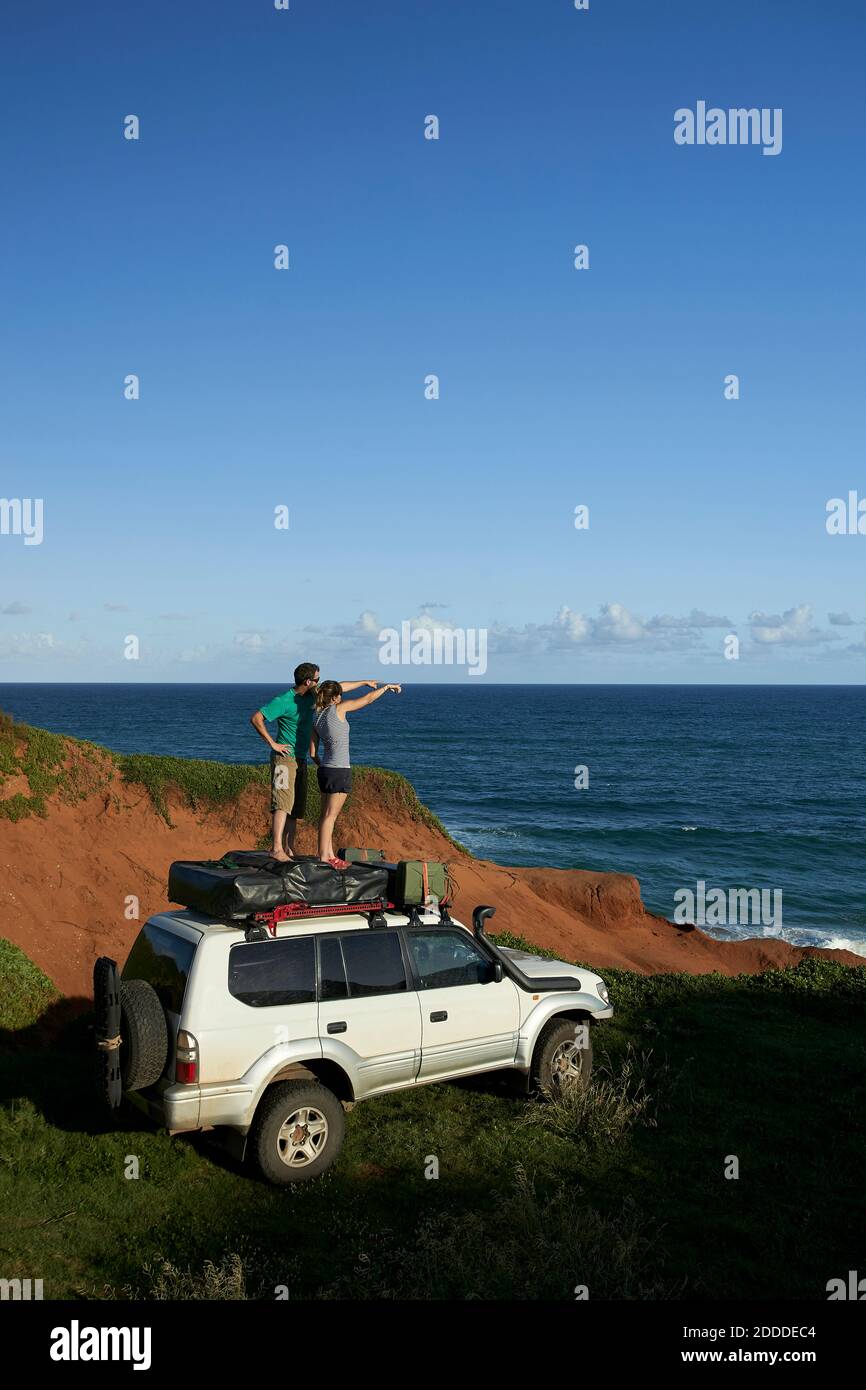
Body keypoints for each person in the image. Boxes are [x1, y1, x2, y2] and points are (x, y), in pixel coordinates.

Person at [250, 665, 378, 861]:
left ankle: (289, 848)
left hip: (300, 758)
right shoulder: (283, 701)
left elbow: (339, 687)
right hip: (284, 758)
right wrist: (273, 744)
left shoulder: (313, 695)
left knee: (295, 807)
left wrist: (364, 682)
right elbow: (257, 718)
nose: (319, 682)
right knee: (282, 803)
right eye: (317, 679)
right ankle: (276, 848)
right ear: (308, 682)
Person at [310, 680, 402, 866]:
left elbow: (312, 753)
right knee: (330, 816)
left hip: (325, 769)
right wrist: (386, 688)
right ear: (335, 697)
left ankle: (329, 855)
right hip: (339, 769)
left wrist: (363, 681)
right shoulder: (339, 709)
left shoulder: (317, 716)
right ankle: (323, 857)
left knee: (325, 815)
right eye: (340, 694)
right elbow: (367, 700)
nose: (342, 696)